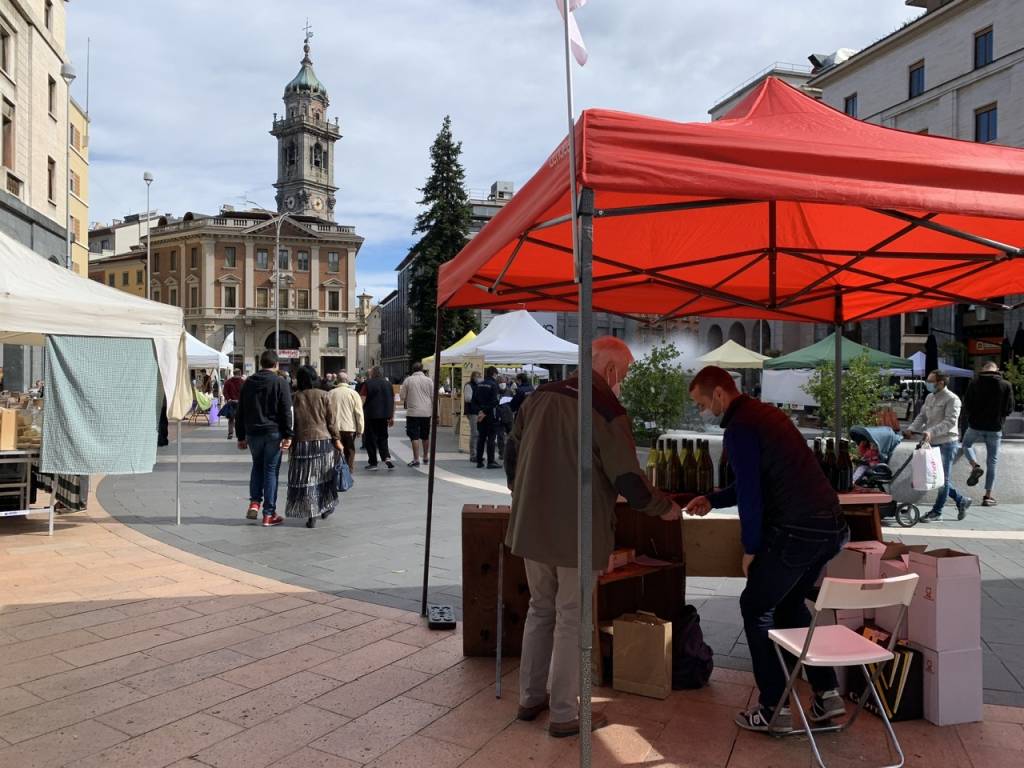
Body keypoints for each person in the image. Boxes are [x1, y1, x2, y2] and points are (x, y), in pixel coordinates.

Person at [505, 337, 681, 738]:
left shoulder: (538, 396)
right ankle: (565, 712)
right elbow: (628, 479)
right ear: (611, 370)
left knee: (540, 609)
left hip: (531, 526)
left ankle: (531, 697)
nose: (625, 381)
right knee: (571, 618)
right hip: (577, 533)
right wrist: (663, 507)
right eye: (626, 373)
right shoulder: (604, 407)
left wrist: (521, 494)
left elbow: (511, 454)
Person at [685, 365, 847, 734]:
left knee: (755, 606)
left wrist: (751, 548)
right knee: (789, 604)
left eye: (702, 404)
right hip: (831, 528)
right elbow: (754, 482)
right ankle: (827, 693)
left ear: (720, 395)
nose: (703, 412)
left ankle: (773, 707)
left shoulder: (740, 427)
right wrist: (712, 499)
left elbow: (752, 496)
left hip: (797, 531)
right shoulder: (767, 414)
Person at [236, 350, 294, 527]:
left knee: (257, 466)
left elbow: (241, 411)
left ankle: (254, 502)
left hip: (253, 433)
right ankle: (269, 514)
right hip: (273, 433)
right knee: (270, 470)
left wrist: (240, 436)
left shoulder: (248, 383)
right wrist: (288, 435)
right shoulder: (280, 382)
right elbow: (286, 410)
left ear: (261, 363)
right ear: (276, 365)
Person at [906, 369, 971, 521]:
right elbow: (921, 416)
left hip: (947, 443)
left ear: (941, 382)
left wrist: (931, 431)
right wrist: (911, 429)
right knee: (936, 477)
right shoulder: (930, 397)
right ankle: (961, 500)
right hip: (932, 442)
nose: (927, 383)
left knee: (944, 479)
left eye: (930, 381)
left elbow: (950, 422)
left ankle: (937, 511)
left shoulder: (952, 399)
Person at [286, 365, 341, 528]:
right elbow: (331, 421)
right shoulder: (324, 395)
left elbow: (290, 422)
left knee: (306, 477)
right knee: (323, 475)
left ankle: (311, 513)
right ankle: (326, 505)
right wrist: (337, 439)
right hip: (323, 441)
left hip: (301, 442)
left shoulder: (294, 397)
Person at [962, 361, 1014, 507]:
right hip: (995, 428)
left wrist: (975, 416)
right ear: (996, 370)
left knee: (966, 445)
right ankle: (987, 496)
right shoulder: (1006, 385)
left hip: (975, 426)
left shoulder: (974, 383)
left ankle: (975, 465)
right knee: (992, 461)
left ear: (983, 369)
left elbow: (967, 405)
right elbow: (1009, 408)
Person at [400, 362, 435, 467]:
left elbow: (402, 396)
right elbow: (433, 397)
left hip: (413, 412)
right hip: (426, 412)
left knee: (414, 436)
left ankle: (416, 459)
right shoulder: (429, 381)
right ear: (422, 369)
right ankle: (425, 456)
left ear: (412, 369)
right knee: (425, 435)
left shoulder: (408, 380)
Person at [328, 372, 364, 472]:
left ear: (337, 381)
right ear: (347, 381)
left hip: (334, 428)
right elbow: (359, 413)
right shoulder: (353, 394)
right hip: (349, 427)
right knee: (350, 450)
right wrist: (360, 429)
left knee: (335, 450)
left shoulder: (331, 393)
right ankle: (349, 470)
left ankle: (336, 469)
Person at [362, 366, 395, 471]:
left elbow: (362, 400)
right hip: (384, 415)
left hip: (370, 415)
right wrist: (392, 416)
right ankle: (386, 457)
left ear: (373, 373)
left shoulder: (367, 384)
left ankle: (373, 462)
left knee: (370, 439)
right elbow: (392, 401)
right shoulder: (388, 384)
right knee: (383, 437)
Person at [472, 366, 501, 469]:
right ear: (494, 374)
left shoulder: (479, 385)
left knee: (481, 438)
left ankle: (479, 461)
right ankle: (491, 461)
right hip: (490, 415)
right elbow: (495, 401)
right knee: (491, 439)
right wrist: (485, 411)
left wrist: (479, 411)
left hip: (480, 415)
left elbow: (473, 400)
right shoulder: (494, 385)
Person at [464, 371, 481, 461]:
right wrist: (478, 397)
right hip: (472, 411)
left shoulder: (479, 386)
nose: (478, 378)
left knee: (479, 434)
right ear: (473, 377)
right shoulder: (468, 385)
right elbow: (467, 398)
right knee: (474, 433)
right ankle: (473, 454)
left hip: (479, 411)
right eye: (477, 376)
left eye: (479, 376)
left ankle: (478, 453)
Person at [222, 369, 244, 440]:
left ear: (233, 373)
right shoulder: (243, 382)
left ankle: (230, 433)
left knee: (231, 419)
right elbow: (246, 392)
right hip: (240, 403)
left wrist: (228, 399)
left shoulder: (228, 382)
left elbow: (225, 392)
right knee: (239, 419)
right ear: (240, 374)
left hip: (231, 402)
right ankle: (239, 434)